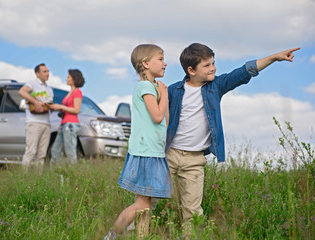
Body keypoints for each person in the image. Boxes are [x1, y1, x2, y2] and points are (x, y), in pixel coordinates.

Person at [166, 43, 300, 225]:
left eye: (213, 63)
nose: (213, 68)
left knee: (193, 211)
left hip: (194, 160)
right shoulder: (173, 91)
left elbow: (242, 72)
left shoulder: (216, 86)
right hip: (168, 155)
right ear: (191, 70)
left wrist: (273, 58)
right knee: (149, 199)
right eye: (206, 65)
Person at [104, 44, 174, 240]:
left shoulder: (154, 87)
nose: (165, 63)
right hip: (146, 152)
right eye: (160, 59)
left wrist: (163, 95)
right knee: (142, 205)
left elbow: (164, 121)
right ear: (145, 63)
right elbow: (158, 116)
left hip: (154, 151)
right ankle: (111, 235)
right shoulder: (144, 86)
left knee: (145, 206)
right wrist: (165, 94)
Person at [19, 63, 54, 168]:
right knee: (31, 152)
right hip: (34, 123)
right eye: (45, 71)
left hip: (46, 123)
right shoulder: (32, 84)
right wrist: (35, 102)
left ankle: (37, 179)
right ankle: (25, 179)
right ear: (37, 74)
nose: (47, 73)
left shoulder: (49, 89)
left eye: (48, 71)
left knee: (42, 154)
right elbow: (22, 92)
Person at [49, 69, 85, 165]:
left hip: (71, 125)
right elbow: (66, 110)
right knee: (55, 151)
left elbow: (76, 110)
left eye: (68, 77)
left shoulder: (77, 92)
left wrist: (60, 106)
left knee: (70, 153)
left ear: (74, 79)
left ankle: (72, 176)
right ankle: (55, 175)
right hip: (64, 124)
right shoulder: (70, 92)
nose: (66, 79)